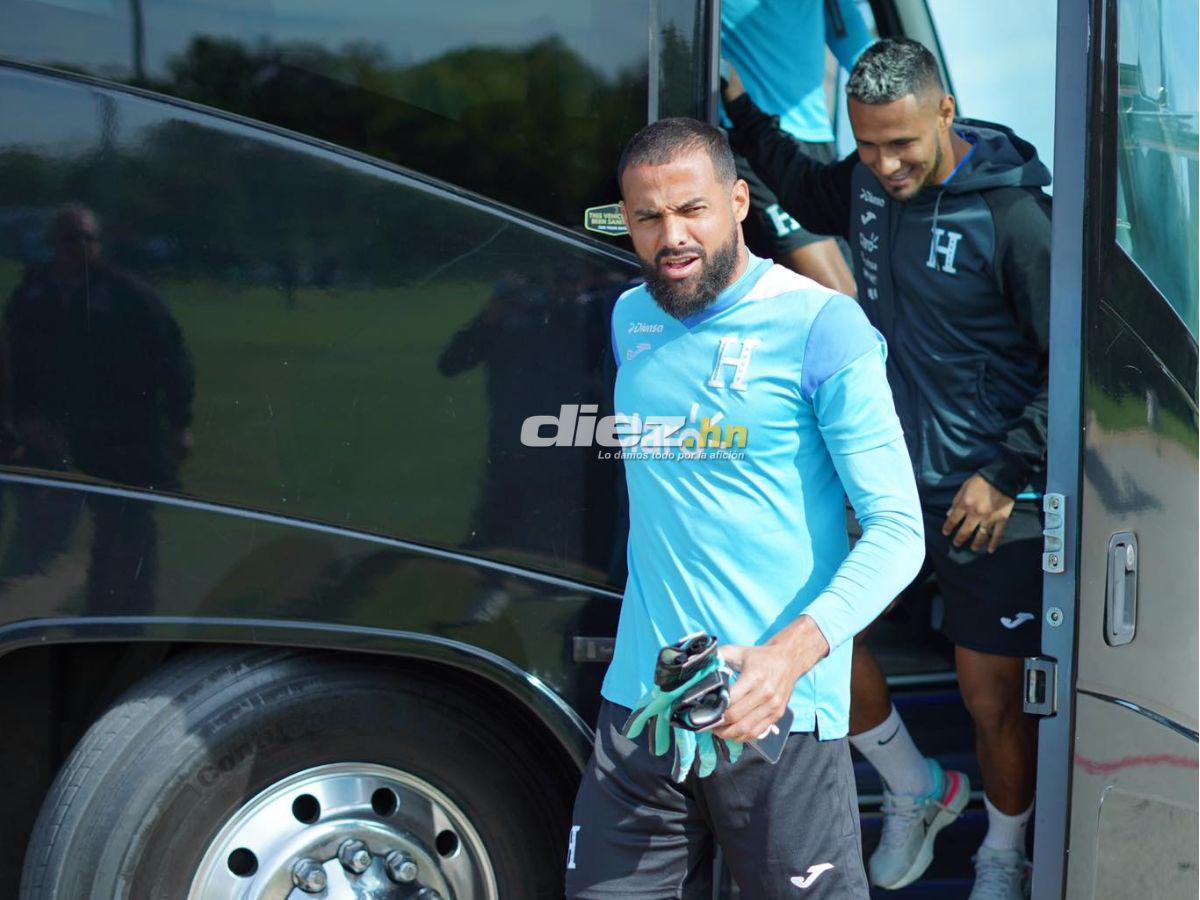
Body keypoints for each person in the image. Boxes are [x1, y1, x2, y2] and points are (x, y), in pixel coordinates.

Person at [564, 116, 925, 899]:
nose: (671, 237)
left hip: (776, 713)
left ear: (737, 201)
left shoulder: (822, 327)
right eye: (648, 217)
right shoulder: (631, 319)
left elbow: (899, 533)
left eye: (692, 209)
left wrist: (788, 659)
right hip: (644, 705)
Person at [724, 37, 1050, 900]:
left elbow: (1081, 367)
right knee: (818, 635)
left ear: (945, 112)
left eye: (900, 143)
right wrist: (738, 104)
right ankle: (916, 787)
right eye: (868, 145)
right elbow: (799, 184)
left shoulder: (1017, 218)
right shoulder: (867, 183)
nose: (885, 164)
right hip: (886, 482)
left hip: (990, 495)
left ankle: (1004, 851)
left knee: (991, 700)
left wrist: (1009, 471)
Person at [720, 0, 873, 295]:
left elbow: (864, 58)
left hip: (818, 142)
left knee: (861, 288)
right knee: (837, 294)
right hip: (750, 139)